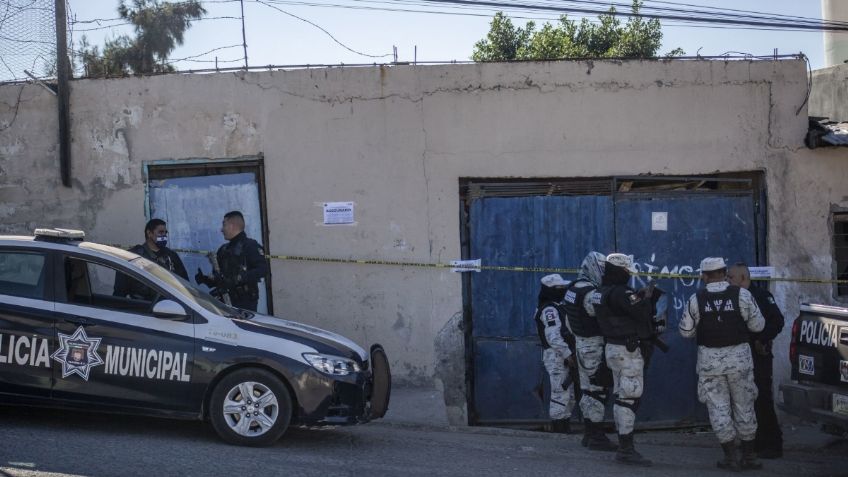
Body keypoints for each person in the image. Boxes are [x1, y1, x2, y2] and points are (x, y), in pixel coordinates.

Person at [680, 257, 765, 471]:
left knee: (718, 408)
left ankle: (730, 457)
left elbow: (685, 332)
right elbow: (758, 325)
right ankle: (749, 456)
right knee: (745, 406)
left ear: (704, 276)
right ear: (724, 272)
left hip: (711, 365)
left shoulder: (695, 299)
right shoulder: (743, 295)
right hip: (740, 362)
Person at [593, 253, 655, 466]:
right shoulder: (622, 292)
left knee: (621, 396)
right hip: (627, 351)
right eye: (627, 272)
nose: (629, 275)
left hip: (613, 348)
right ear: (621, 272)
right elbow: (642, 313)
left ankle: (624, 445)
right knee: (629, 398)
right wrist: (646, 298)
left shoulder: (601, 292)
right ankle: (626, 449)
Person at [728, 262, 785, 459]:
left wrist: (763, 339)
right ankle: (753, 444)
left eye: (731, 278)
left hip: (758, 355)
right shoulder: (731, 298)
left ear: (743, 278)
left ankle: (772, 444)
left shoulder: (761, 296)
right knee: (744, 401)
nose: (728, 281)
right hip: (738, 357)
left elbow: (777, 321)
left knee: (762, 400)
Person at [562, 251, 617, 452]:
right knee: (597, 390)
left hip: (581, 343)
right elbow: (602, 313)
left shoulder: (572, 288)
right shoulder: (590, 293)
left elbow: (568, 321)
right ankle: (597, 436)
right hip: (593, 345)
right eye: (602, 269)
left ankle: (588, 433)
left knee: (587, 389)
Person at [195, 211, 269, 311]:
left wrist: (239, 278)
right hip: (224, 302)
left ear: (232, 226)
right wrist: (206, 279)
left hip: (245, 303)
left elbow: (263, 270)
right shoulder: (223, 249)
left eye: (224, 225)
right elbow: (221, 279)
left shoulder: (250, 246)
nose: (221, 229)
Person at [534, 273, 577, 433]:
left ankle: (564, 427)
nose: (563, 291)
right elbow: (553, 336)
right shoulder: (549, 309)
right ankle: (559, 432)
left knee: (569, 394)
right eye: (559, 288)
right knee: (560, 393)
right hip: (557, 355)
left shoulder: (557, 306)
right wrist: (567, 354)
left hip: (563, 354)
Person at [114, 218, 188, 300]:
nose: (164, 236)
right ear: (149, 233)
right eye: (160, 232)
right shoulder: (133, 257)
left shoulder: (171, 256)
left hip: (168, 306)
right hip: (143, 308)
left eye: (165, 233)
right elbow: (119, 292)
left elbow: (185, 284)